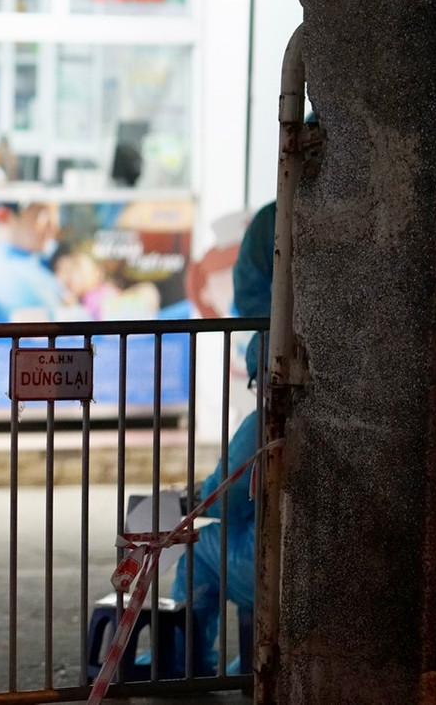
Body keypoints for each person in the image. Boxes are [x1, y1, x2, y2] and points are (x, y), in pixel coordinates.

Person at [167, 198, 275, 676]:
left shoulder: (271, 419)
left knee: (198, 554)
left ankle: (187, 665)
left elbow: (228, 497)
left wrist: (192, 498)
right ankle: (250, 664)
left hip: (283, 564)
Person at [0, 202, 67, 322]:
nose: (54, 226)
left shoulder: (36, 260)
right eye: (42, 214)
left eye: (56, 213)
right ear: (2, 215)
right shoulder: (1, 272)